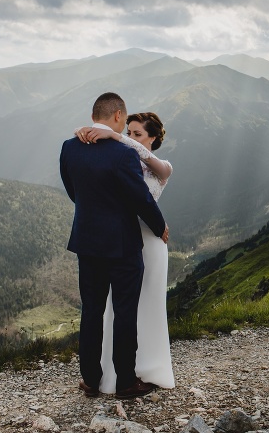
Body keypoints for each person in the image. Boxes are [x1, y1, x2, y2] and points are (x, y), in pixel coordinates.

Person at [59, 92, 168, 399]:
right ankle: (125, 382)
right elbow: (140, 198)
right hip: (121, 245)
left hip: (87, 241)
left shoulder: (69, 148)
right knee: (124, 312)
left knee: (91, 311)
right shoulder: (123, 154)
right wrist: (160, 227)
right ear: (118, 115)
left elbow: (73, 191)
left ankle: (91, 381)